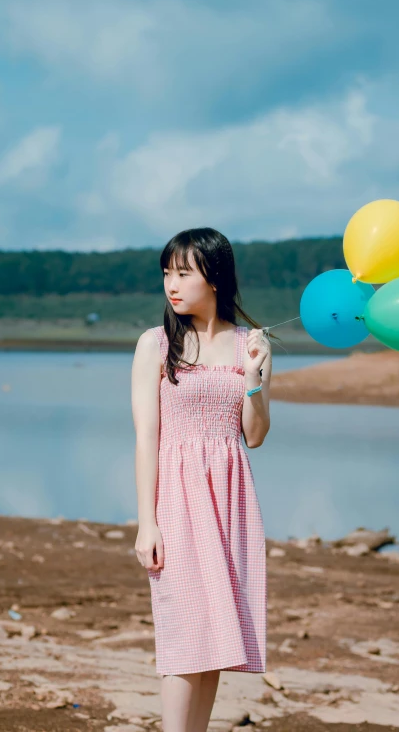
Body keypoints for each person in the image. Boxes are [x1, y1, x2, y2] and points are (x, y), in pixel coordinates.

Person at [131, 227, 272, 732]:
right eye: (167, 272)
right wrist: (146, 524)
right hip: (176, 496)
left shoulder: (247, 344)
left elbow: (253, 436)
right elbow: (147, 439)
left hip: (230, 498)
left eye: (183, 272)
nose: (171, 283)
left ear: (214, 276)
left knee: (216, 629)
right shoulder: (156, 344)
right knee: (182, 625)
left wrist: (254, 380)